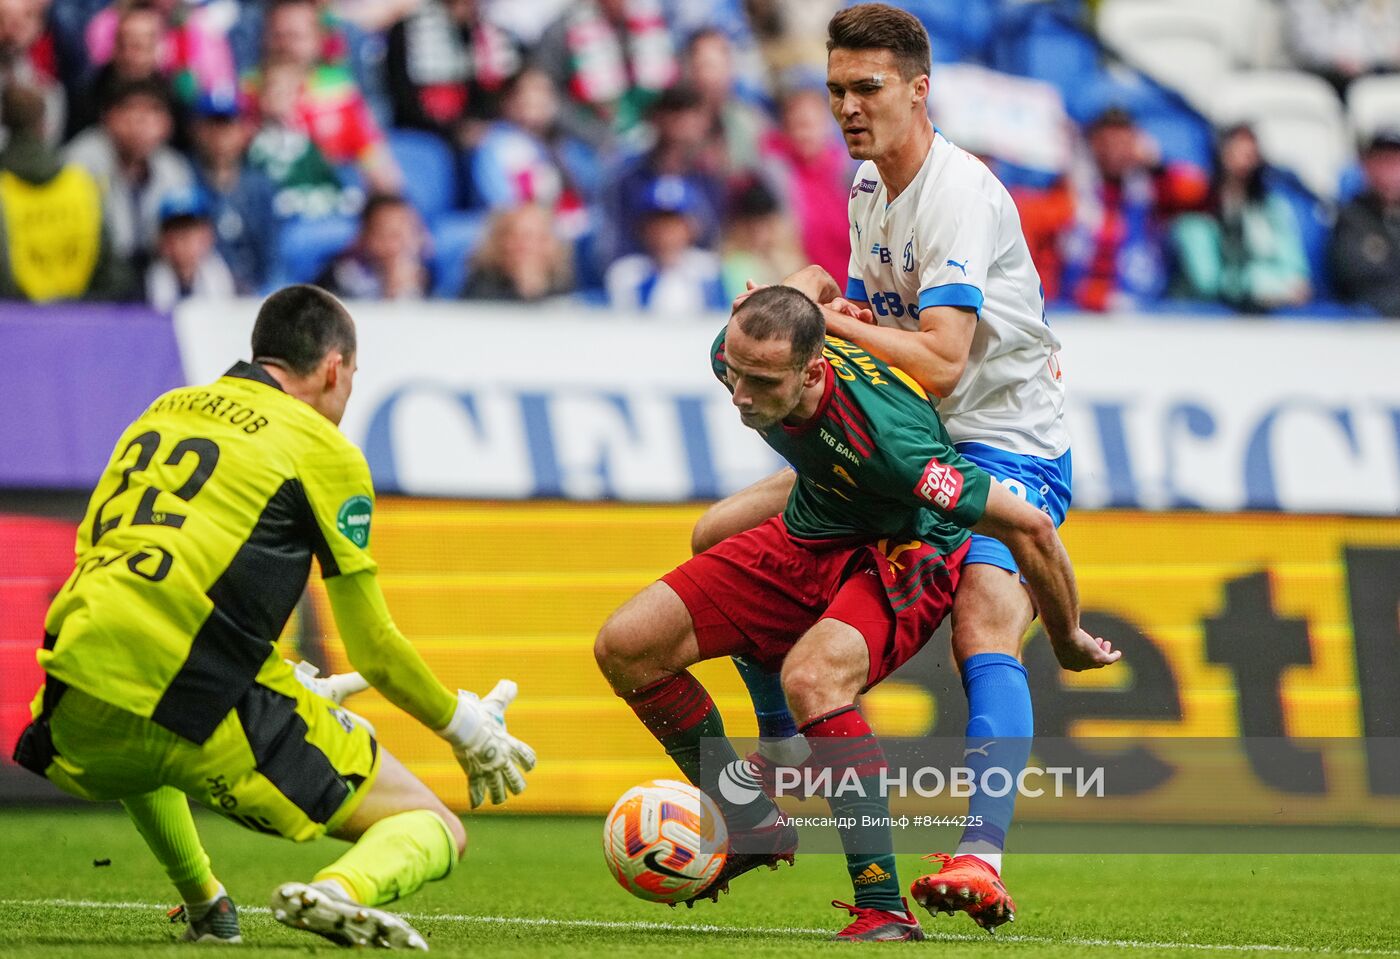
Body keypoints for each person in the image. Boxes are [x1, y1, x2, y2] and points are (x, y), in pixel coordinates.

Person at [689, 3, 1072, 930]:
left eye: (867, 88)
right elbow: (873, 324)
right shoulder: (870, 188)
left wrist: (821, 319)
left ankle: (980, 855)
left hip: (1002, 441)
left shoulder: (960, 196)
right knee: (717, 534)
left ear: (917, 89)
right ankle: (775, 764)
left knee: (984, 622)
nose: (850, 108)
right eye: (836, 91)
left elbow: (939, 356)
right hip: (899, 442)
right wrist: (815, 293)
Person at [11, 284, 536, 947]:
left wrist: (276, 673)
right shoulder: (321, 446)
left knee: (141, 715)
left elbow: (111, 560)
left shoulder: (162, 411)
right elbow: (373, 647)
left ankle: (206, 901)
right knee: (430, 825)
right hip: (203, 704)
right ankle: (337, 891)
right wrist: (465, 728)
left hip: (73, 704)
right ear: (334, 370)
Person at [594, 286, 1118, 940]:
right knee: (626, 644)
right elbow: (795, 299)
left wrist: (1066, 634)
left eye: (759, 381)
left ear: (814, 371)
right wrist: (808, 286)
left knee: (814, 677)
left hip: (908, 549)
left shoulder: (895, 446)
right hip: (820, 521)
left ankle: (884, 907)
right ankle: (748, 815)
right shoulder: (743, 358)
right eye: (733, 372)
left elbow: (1032, 528)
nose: (739, 396)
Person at [1058, 105, 1209, 311]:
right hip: (1078, 310)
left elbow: (1197, 191)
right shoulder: (1072, 189)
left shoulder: (1149, 187)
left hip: (1143, 309)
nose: (1116, 151)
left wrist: (1157, 165)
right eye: (1108, 143)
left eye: (1124, 143)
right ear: (1093, 144)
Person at [0, 83, 130, 300]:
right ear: (45, 125)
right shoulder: (82, 181)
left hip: (13, 321)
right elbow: (111, 268)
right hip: (80, 317)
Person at [1173, 124, 1311, 312]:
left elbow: (1295, 268)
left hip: (1270, 311)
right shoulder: (1199, 207)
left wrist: (1289, 286)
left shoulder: (1272, 206)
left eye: (1251, 154)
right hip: (1212, 317)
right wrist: (1263, 285)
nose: (1245, 161)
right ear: (1221, 153)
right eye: (1237, 152)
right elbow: (1207, 280)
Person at [64, 75, 195, 269]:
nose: (139, 121)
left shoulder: (174, 169)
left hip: (154, 275)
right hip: (94, 275)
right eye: (129, 108)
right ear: (107, 116)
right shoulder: (80, 162)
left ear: (167, 124)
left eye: (152, 111)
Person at [188, 91, 278, 294]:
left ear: (243, 132)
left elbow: (271, 253)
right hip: (204, 293)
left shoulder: (259, 186)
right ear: (197, 130)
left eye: (227, 126)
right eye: (212, 127)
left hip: (253, 293)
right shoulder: (184, 177)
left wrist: (264, 294)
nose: (219, 137)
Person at [604, 175, 724, 313]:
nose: (665, 233)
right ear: (642, 229)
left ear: (692, 228)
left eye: (674, 224)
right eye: (657, 224)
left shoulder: (708, 272)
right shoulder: (627, 274)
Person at [1329, 128, 1400, 318]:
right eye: (1381, 161)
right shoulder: (1351, 217)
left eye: (1394, 162)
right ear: (1366, 166)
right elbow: (1361, 280)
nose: (1390, 172)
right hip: (1370, 327)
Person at [316, 193, 430, 300]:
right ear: (365, 236)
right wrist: (390, 290)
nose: (398, 246)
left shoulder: (427, 276)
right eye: (390, 235)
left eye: (406, 234)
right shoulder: (341, 276)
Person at [461, 203, 575, 302]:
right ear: (499, 242)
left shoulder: (566, 288)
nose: (527, 247)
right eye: (518, 238)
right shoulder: (480, 287)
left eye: (538, 238)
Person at [145, 190, 237, 311]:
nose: (184, 240)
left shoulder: (220, 276)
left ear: (207, 236)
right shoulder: (144, 286)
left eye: (190, 231)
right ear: (163, 241)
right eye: (176, 231)